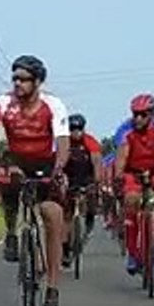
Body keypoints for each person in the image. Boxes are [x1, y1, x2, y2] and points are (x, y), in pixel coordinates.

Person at [0, 54, 70, 306]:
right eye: (15, 78)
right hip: (15, 159)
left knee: (52, 214)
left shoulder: (53, 105)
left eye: (24, 79)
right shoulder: (3, 103)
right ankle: (11, 231)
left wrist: (59, 169)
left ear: (38, 82)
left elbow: (62, 142)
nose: (18, 83)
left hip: (45, 162)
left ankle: (52, 284)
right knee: (7, 181)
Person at [113, 93, 154, 275]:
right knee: (132, 200)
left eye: (143, 114)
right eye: (135, 114)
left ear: (153, 114)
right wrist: (118, 177)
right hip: (133, 170)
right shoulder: (126, 131)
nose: (138, 118)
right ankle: (133, 253)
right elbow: (121, 156)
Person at [61, 112, 102, 267]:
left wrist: (96, 181)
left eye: (78, 129)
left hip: (87, 176)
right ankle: (65, 249)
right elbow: (58, 162)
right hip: (69, 177)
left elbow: (97, 162)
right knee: (67, 214)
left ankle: (89, 220)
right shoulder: (64, 142)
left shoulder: (90, 142)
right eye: (72, 129)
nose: (75, 132)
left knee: (91, 198)